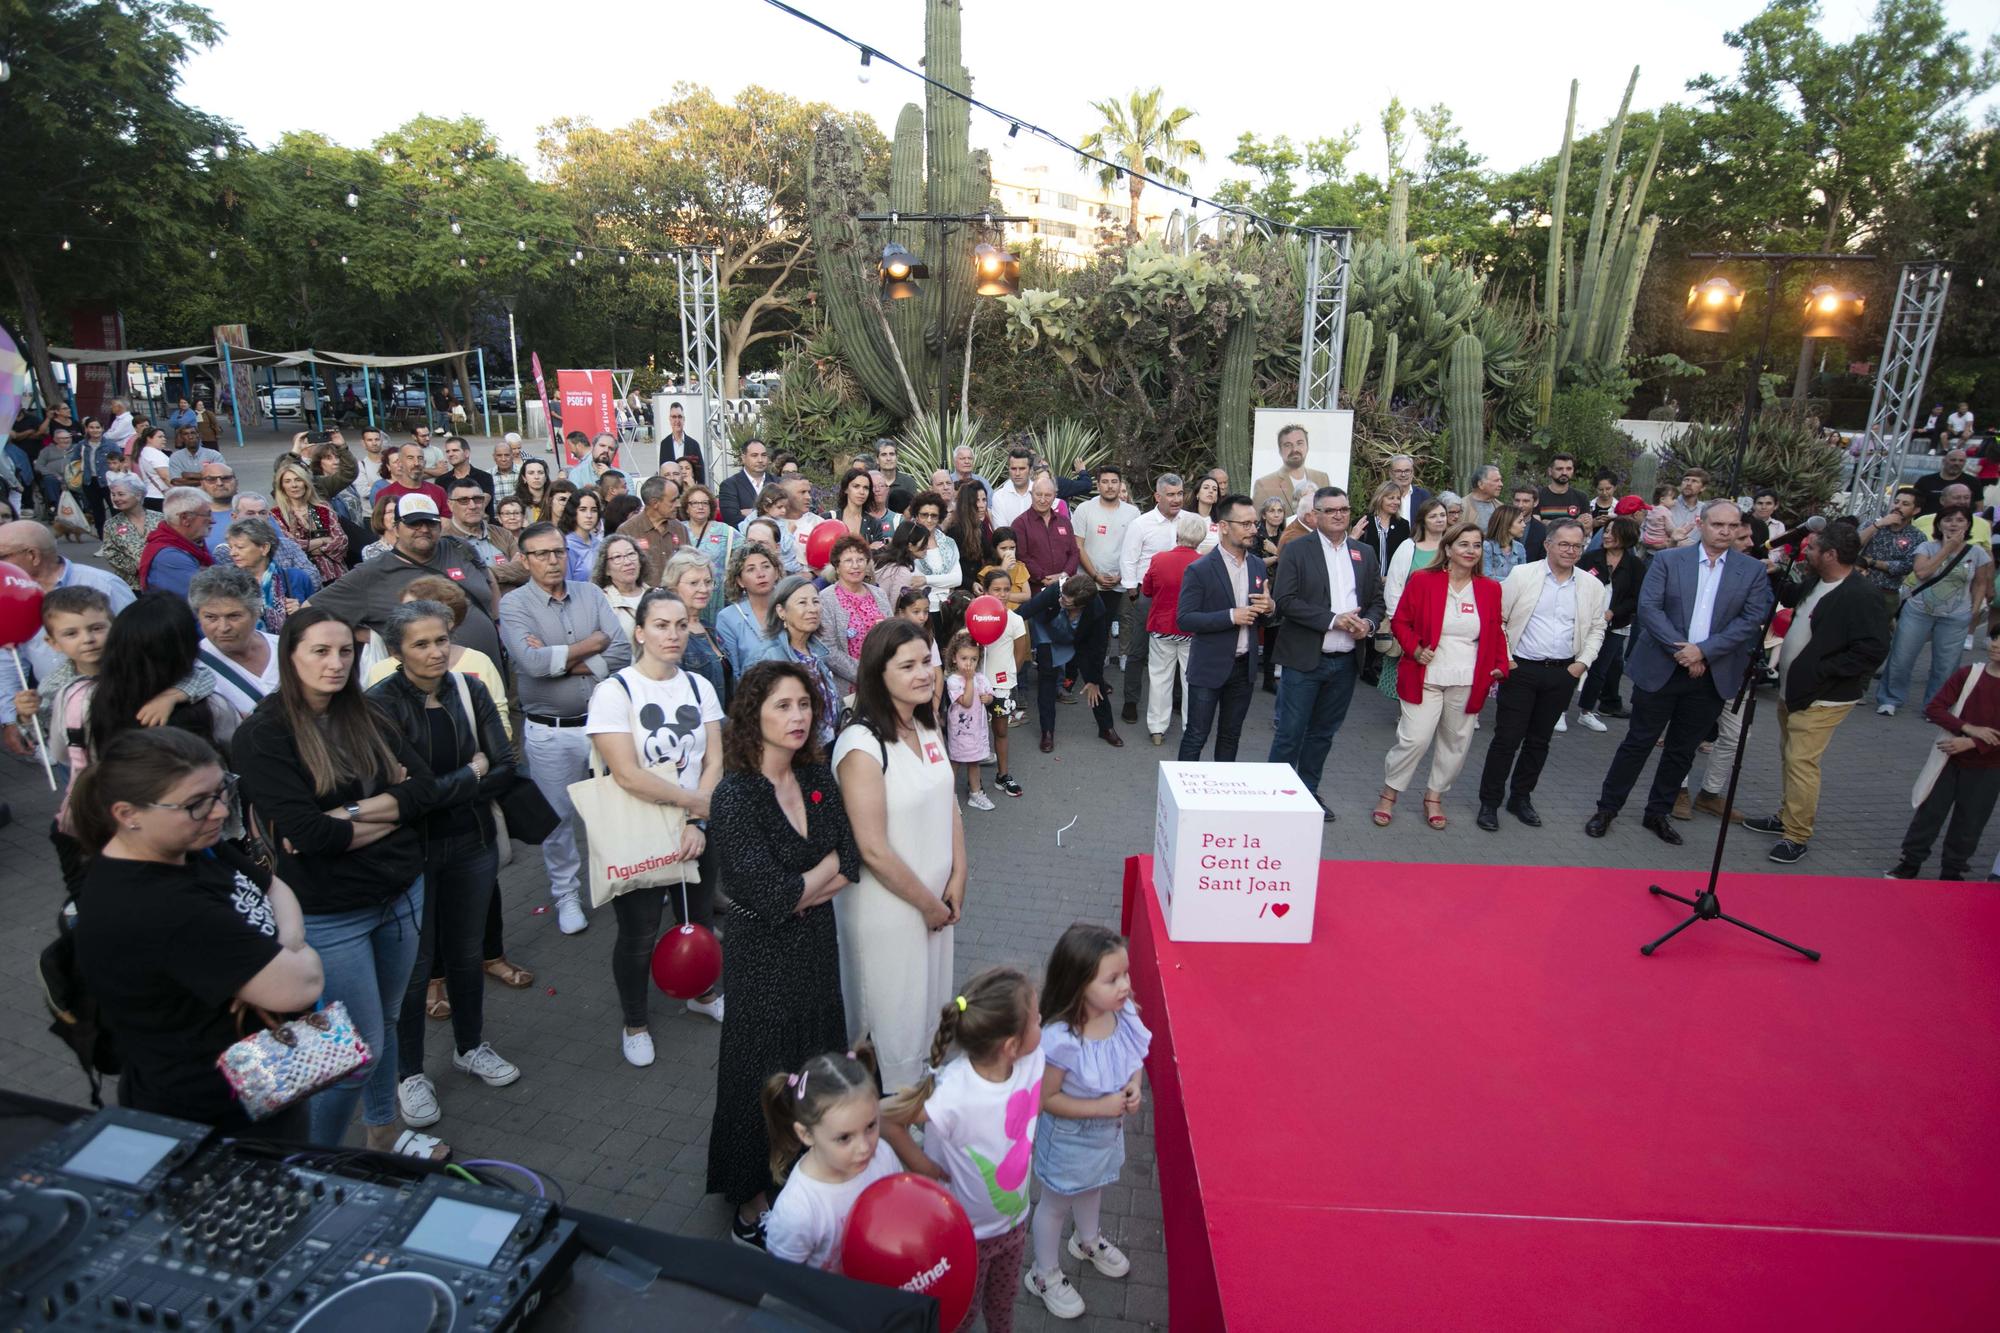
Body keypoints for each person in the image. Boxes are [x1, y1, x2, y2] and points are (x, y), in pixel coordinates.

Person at [232, 609, 445, 1158]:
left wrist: (348, 814)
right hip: (331, 914)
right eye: (320, 652)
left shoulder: (369, 713)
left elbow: (425, 791)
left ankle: (383, 1133)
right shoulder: (264, 733)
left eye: (345, 651)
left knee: (389, 1022)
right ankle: (312, 1159)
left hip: (401, 894)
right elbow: (310, 835)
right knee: (356, 1050)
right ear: (291, 656)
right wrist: (388, 811)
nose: (336, 663)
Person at [71, 729, 324, 1137]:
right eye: (195, 804)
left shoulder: (190, 847)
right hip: (218, 1116)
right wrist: (292, 956)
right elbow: (302, 985)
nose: (221, 812)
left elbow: (275, 887)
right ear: (127, 814)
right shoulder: (161, 907)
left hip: (262, 1079)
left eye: (221, 790)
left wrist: (286, 945)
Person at [705, 661, 859, 1248]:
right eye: (782, 707)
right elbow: (771, 897)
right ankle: (749, 1193)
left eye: (804, 705)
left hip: (817, 945)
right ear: (753, 716)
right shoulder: (736, 797)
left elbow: (852, 859)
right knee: (761, 1071)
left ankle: (805, 1166)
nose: (798, 717)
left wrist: (801, 889)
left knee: (815, 1055)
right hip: (762, 957)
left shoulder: (816, 777)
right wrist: (806, 886)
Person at [368, 602, 523, 1132]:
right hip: (411, 854)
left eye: (441, 640)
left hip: (472, 843)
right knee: (415, 967)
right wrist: (467, 776)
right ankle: (408, 1072)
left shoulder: (469, 688)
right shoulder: (379, 704)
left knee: (465, 953)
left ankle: (470, 1046)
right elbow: (403, 796)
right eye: (421, 644)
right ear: (396, 652)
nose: (436, 652)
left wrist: (448, 785)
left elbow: (504, 765)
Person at [586, 588, 726, 1065]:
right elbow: (626, 773)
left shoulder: (698, 686)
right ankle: (635, 1020)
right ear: (640, 632)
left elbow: (714, 758)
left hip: (696, 825)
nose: (673, 634)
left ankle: (701, 993)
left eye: (681, 624)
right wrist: (696, 806)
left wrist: (696, 820)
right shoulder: (614, 691)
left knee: (699, 917)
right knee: (640, 931)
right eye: (662, 625)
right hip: (641, 828)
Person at [1587, 502, 1774, 844]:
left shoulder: (1751, 571)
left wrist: (1704, 651)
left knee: (1682, 750)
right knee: (1637, 743)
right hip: (1662, 667)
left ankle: (1657, 813)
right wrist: (1684, 651)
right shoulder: (1669, 560)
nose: (1725, 531)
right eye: (1718, 524)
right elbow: (1650, 608)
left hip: (1710, 675)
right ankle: (1607, 808)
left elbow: (1750, 620)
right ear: (1700, 524)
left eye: (1733, 526)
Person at [834, 618, 963, 1092]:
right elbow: (872, 848)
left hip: (933, 904)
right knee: (893, 1013)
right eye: (906, 665)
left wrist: (959, 872)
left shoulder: (924, 723)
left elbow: (947, 797)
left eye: (926, 661)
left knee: (927, 1005)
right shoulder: (861, 746)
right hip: (889, 912)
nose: (924, 673)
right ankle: (890, 1114)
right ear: (876, 673)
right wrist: (929, 904)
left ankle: (917, 1096)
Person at [878, 969, 1045, 1333]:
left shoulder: (1033, 1058)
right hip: (965, 1235)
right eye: (1036, 1017)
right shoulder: (954, 1093)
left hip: (1015, 1221)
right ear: (1010, 1046)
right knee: (962, 1314)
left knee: (1003, 1304)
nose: (1042, 1021)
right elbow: (887, 1120)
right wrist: (924, 1167)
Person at [499, 521, 634, 935]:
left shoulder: (591, 593)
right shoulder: (515, 605)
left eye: (557, 551)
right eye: (541, 554)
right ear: (524, 560)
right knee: (557, 820)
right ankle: (566, 893)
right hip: (550, 732)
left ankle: (627, 876)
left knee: (616, 809)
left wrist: (562, 658)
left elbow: (623, 650)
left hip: (604, 727)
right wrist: (593, 645)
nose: (552, 560)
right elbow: (532, 664)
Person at [1742, 524, 1892, 863]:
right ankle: (1786, 816)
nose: (1806, 553)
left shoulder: (1860, 595)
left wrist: (1821, 672)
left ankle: (1796, 834)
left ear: (1831, 555)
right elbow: (1793, 597)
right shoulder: (1818, 581)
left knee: (1801, 762)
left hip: (1822, 696)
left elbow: (1872, 650)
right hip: (1796, 690)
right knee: (1791, 757)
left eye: (1812, 549)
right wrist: (1774, 571)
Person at [1022, 923, 1150, 1322]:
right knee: (1056, 1203)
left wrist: (1133, 1087)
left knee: (1094, 1187)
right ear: (1078, 984)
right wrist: (1104, 1107)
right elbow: (1048, 1099)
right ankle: (1043, 1274)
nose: (1125, 985)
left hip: (1104, 1136)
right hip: (1069, 1140)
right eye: (1112, 978)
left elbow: (1134, 1059)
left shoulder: (1122, 1013)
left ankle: (1087, 1241)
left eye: (1125, 974)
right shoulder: (1061, 1038)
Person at [1473, 518, 1606, 830]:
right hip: (1522, 670)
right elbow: (1498, 619)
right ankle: (1489, 802)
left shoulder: (1591, 585)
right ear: (1548, 545)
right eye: (1564, 544)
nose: (1571, 550)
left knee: (1539, 741)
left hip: (1563, 672)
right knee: (1507, 739)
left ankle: (1520, 798)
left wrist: (1582, 663)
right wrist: (1507, 660)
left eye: (1577, 545)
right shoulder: (1523, 575)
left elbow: (1598, 627)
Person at [1378, 521, 1509, 829]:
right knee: (1414, 739)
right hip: (1425, 674)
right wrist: (1414, 648)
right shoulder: (1424, 580)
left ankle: (1434, 796)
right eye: (1464, 544)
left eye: (1477, 545)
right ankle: (1389, 793)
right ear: (1448, 548)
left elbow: (1495, 630)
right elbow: (1400, 622)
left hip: (1468, 677)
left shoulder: (1490, 589)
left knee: (1456, 743)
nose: (1471, 551)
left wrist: (1501, 664)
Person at [1268, 487, 1386, 821]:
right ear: (1315, 515)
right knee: (1290, 733)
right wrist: (1333, 620)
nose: (1339, 515)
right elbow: (1285, 600)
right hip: (1306, 659)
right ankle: (1275, 798)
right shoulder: (1297, 550)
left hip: (1346, 662)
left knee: (1322, 734)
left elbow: (1377, 601)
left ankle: (1307, 793)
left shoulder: (1363, 552)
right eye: (1331, 510)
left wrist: (1368, 623)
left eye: (1344, 509)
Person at [307, 493, 506, 669]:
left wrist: (498, 623)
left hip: (491, 671)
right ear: (395, 527)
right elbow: (308, 612)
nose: (424, 529)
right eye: (414, 523)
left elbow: (487, 578)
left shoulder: (458, 547)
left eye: (430, 523)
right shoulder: (371, 573)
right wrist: (374, 638)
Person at [0, 518, 137, 755]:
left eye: (3, 556)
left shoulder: (104, 584)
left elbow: (141, 643)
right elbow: (8, 659)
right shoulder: (8, 595)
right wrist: (11, 719)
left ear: (32, 555)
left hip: (122, 714)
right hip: (59, 722)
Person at [759, 1047, 902, 1267]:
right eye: (845, 1138)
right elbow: (784, 1284)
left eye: (871, 1126)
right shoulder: (797, 1212)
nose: (865, 1147)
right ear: (806, 1134)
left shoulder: (883, 1154)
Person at [1887, 634, 2000, 880]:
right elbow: (1935, 708)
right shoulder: (1969, 673)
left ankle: (1953, 870)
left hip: (1989, 767)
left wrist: (1971, 742)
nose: (1996, 644)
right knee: (1930, 812)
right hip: (1948, 756)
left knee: (1970, 820)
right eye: (1995, 637)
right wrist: (1968, 728)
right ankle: (1910, 863)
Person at [1175, 494, 1273, 763]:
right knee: (1196, 734)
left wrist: (1270, 607)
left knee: (1231, 736)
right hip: (1209, 666)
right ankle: (1184, 797)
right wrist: (1231, 616)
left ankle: (1221, 799)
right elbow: (1185, 619)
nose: (1253, 529)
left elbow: (1263, 616)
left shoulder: (1257, 565)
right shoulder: (1200, 569)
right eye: (1246, 524)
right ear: (1224, 526)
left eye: (1254, 523)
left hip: (1244, 668)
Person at [1877, 505, 1990, 716]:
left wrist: (1973, 611)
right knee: (1902, 657)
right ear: (1939, 523)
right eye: (1948, 520)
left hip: (1956, 616)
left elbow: (1980, 583)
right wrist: (1947, 549)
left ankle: (1934, 706)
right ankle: (1890, 699)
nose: (1954, 524)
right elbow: (1922, 573)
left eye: (1959, 520)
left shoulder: (1977, 553)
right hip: (1918, 611)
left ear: (1968, 524)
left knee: (1945, 665)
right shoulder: (1926, 548)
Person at [1021, 573, 1121, 752]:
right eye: (1062, 595)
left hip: (1078, 637)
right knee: (1047, 678)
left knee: (1095, 683)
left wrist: (1094, 680)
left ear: (1081, 604)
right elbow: (1024, 611)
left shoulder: (1096, 608)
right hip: (1048, 633)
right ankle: (1047, 732)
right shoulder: (1055, 592)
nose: (1062, 599)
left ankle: (1106, 728)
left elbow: (1099, 648)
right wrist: (997, 623)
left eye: (1067, 601)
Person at [1117, 473, 1186, 725]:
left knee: (1180, 648)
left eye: (1179, 494)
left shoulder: (1189, 521)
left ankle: (1177, 699)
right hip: (1147, 595)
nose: (1176, 499)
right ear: (1158, 497)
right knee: (1138, 650)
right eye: (1171, 495)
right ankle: (1131, 702)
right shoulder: (1141, 524)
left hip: (1181, 597)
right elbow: (1128, 559)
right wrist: (1134, 594)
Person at [1138, 513, 1206, 745]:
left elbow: (1147, 590)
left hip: (1162, 626)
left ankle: (1157, 728)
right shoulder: (1204, 563)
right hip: (1193, 630)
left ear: (1178, 534)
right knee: (1191, 681)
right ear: (1200, 538)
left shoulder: (1159, 559)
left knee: (1159, 678)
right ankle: (1191, 728)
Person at [752, 575, 841, 747]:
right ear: (781, 611)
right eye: (802, 603)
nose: (812, 609)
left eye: (816, 601)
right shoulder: (769, 657)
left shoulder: (815, 652)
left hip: (826, 751)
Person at [1576, 516, 1644, 728]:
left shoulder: (1635, 565)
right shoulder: (1589, 558)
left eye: (1612, 531)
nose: (1606, 535)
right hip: (1584, 621)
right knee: (1574, 662)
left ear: (1625, 536)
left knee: (1600, 669)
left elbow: (1636, 598)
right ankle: (1558, 710)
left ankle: (1586, 711)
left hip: (1616, 625)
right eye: (1605, 530)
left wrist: (1613, 612)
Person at [191, 566, 281, 714]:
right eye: (211, 617)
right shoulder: (193, 669)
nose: (223, 627)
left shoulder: (285, 647)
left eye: (234, 616)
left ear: (256, 612)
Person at [816, 533, 890, 687]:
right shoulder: (825, 599)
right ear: (837, 567)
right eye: (848, 561)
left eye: (860, 560)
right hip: (850, 685)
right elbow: (828, 650)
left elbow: (892, 634)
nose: (855, 566)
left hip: (886, 679)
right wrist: (867, 676)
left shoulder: (879, 594)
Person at [221, 518, 313, 634]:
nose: (232, 553)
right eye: (231, 547)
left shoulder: (296, 578)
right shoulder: (227, 584)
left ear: (264, 548)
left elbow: (317, 620)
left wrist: (301, 613)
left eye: (240, 547)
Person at [662, 547, 728, 699]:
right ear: (674, 588)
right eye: (693, 583)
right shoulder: (671, 635)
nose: (703, 589)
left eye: (708, 582)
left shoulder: (709, 628)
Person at [272, 457, 348, 587]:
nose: (294, 485)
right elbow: (289, 546)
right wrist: (322, 541)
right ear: (282, 486)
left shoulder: (320, 509)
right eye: (288, 481)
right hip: (302, 579)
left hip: (334, 575)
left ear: (305, 483)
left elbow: (340, 541)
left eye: (298, 480)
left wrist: (308, 547)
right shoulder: (276, 514)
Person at [941, 630, 995, 810]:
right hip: (961, 730)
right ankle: (948, 796)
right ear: (954, 658)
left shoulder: (980, 678)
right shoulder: (953, 681)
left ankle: (975, 792)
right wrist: (970, 681)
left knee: (974, 760)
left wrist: (989, 699)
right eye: (964, 658)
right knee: (956, 761)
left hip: (977, 731)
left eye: (973, 659)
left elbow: (989, 695)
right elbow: (966, 701)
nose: (969, 663)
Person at [138, 486, 216, 595]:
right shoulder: (168, 557)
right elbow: (205, 597)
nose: (213, 521)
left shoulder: (189, 543)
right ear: (185, 518)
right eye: (207, 514)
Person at [718, 540, 783, 669]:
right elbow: (734, 671)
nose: (761, 574)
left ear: (776, 572)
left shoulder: (791, 607)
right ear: (740, 581)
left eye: (766, 566)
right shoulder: (728, 618)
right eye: (751, 569)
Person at [905, 490, 962, 626]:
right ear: (916, 516)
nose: (929, 520)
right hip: (920, 612)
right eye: (924, 515)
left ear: (939, 518)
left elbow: (957, 578)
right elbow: (912, 581)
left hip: (948, 610)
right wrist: (944, 581)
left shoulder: (949, 543)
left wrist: (926, 579)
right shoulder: (908, 542)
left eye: (934, 516)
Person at [95, 475, 159, 586]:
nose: (115, 499)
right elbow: (110, 553)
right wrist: (137, 568)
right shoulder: (111, 524)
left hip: (160, 579)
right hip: (131, 584)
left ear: (138, 495)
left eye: (121, 494)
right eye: (113, 495)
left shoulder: (161, 519)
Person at [1252, 422, 1331, 512]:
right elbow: (1257, 522)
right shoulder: (1264, 485)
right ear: (1280, 450)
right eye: (1288, 445)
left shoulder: (1323, 479)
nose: (1295, 449)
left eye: (1299, 443)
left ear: (1307, 447)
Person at [1356, 479, 1410, 579]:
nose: (1396, 502)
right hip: (1367, 582)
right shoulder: (1364, 522)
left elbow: (1406, 558)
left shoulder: (1403, 525)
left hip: (1393, 583)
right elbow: (1356, 554)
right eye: (1391, 498)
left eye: (1398, 498)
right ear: (1380, 498)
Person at [944, 479, 995, 586]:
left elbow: (989, 554)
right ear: (967, 504)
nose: (982, 505)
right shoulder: (954, 530)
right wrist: (971, 584)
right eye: (977, 500)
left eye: (984, 500)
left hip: (978, 584)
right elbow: (950, 568)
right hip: (961, 589)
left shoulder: (981, 526)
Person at [719, 437, 773, 527]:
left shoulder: (777, 482)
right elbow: (732, 520)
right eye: (754, 455)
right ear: (743, 458)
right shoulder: (730, 485)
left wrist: (751, 512)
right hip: (744, 539)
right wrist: (769, 513)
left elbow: (785, 515)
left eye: (763, 455)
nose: (760, 460)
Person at [558, 485, 604, 583]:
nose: (589, 515)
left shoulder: (600, 544)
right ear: (573, 512)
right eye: (583, 509)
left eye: (594, 510)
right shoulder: (566, 547)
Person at [990, 446, 1037, 528]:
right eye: (1013, 468)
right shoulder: (999, 497)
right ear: (1008, 469)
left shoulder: (1040, 493)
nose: (1017, 473)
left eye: (1022, 469)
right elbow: (1002, 531)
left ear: (1030, 470)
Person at [1913, 448, 1969, 515]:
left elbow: (1979, 507)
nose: (1957, 463)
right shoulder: (1925, 480)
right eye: (1953, 460)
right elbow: (1913, 503)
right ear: (1943, 461)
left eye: (1961, 461)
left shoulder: (1972, 481)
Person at [660, 401, 705, 484]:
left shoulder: (693, 444)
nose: (677, 420)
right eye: (674, 417)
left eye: (680, 417)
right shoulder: (664, 444)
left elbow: (700, 473)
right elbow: (663, 470)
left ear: (684, 419)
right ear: (670, 419)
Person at [1483, 501, 1528, 578]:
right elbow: (1486, 577)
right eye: (1520, 521)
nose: (1524, 525)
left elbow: (1523, 576)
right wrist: (1511, 582)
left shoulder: (1519, 547)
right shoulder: (1486, 547)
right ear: (1507, 525)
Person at [1535, 453, 1584, 524]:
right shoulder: (1538, 496)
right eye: (1559, 469)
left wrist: (1547, 522)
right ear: (1550, 471)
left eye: (1569, 469)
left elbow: (1586, 527)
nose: (1564, 472)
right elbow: (1536, 526)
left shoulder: (1581, 497)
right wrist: (1575, 522)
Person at [1465, 464, 1505, 529]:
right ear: (1480, 484)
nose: (1501, 484)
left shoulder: (1500, 507)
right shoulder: (1462, 507)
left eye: (1500, 480)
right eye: (1496, 480)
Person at [518, 458, 552, 522]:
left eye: (540, 472)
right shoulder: (517, 502)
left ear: (546, 477)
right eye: (531, 473)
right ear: (524, 478)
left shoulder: (554, 499)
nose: (536, 477)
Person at [491, 435, 522, 501]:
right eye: (499, 455)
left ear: (512, 456)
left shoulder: (523, 473)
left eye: (507, 455)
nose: (503, 459)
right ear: (494, 457)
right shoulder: (487, 476)